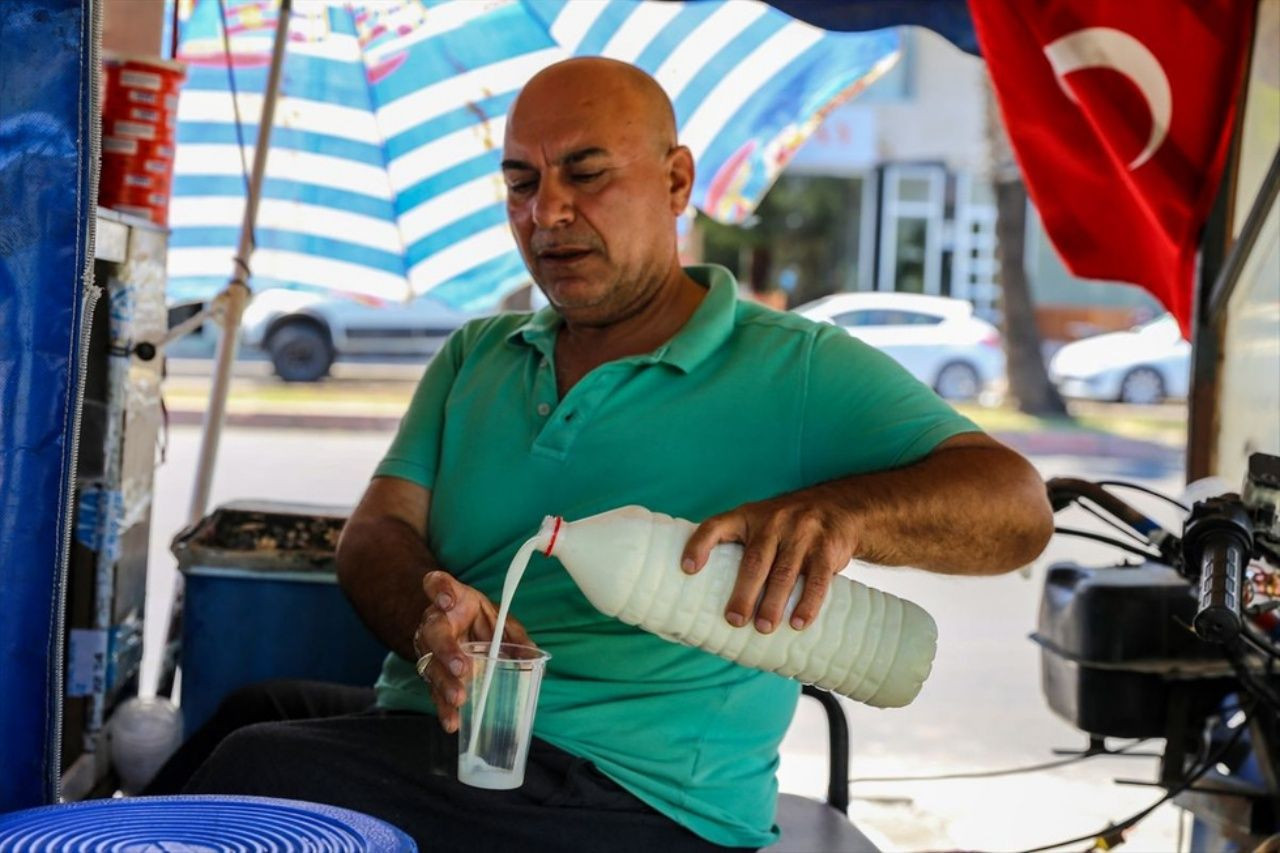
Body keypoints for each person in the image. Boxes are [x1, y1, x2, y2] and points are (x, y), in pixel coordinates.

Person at [164, 57, 1053, 850]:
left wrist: (850, 512)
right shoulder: (478, 354)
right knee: (252, 712)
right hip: (455, 736)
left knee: (264, 768)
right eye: (521, 182)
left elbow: (1015, 510)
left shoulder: (795, 368)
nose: (547, 212)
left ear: (675, 182)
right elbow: (376, 531)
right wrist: (425, 613)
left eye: (585, 174)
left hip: (643, 797)